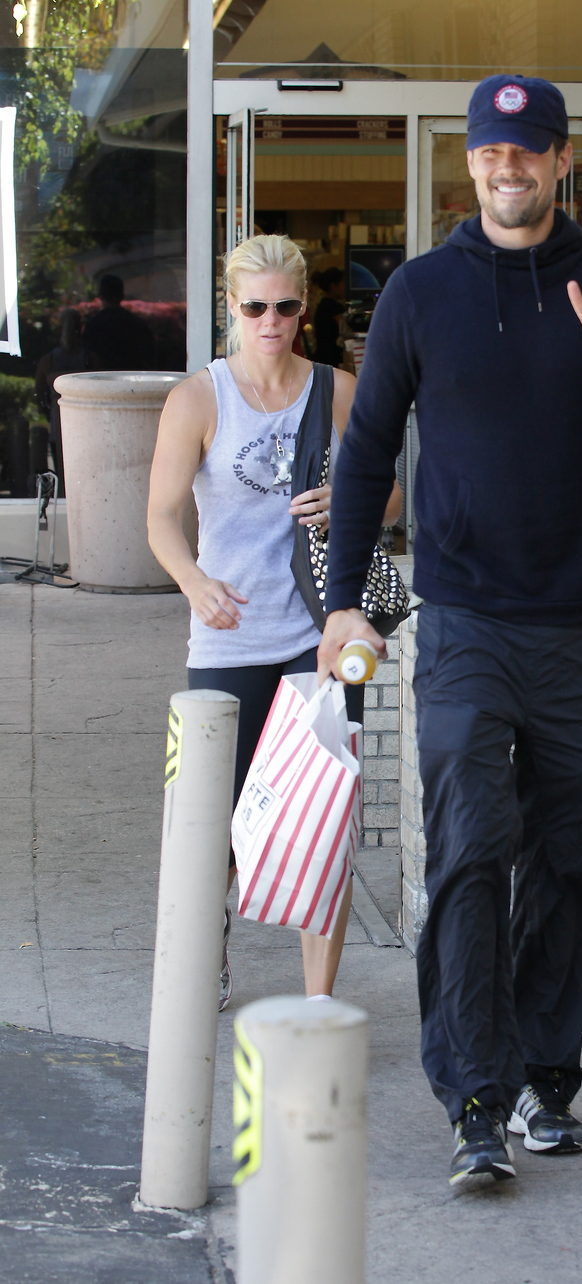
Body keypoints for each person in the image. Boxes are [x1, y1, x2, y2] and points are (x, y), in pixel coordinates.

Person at [317, 74, 582, 1187]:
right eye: (493, 153)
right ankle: (472, 1098)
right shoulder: (418, 294)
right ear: (473, 162)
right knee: (466, 857)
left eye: (530, 153)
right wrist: (345, 598)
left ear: (559, 163)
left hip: (573, 627)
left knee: (567, 859)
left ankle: (549, 1079)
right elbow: (364, 459)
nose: (510, 170)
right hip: (459, 623)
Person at [147, 233, 400, 1010]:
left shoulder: (338, 390)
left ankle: (317, 1003)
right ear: (231, 307)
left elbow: (391, 496)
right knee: (214, 830)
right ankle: (208, 949)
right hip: (226, 639)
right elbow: (160, 518)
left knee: (321, 825)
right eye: (254, 306)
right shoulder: (197, 398)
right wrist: (193, 582)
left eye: (286, 306)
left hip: (319, 637)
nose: (271, 320)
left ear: (304, 307)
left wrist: (352, 504)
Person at [34, 307, 95, 494]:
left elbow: (39, 394)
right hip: (59, 420)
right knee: (64, 464)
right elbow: (39, 395)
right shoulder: (50, 360)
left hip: (86, 423)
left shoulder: (89, 358)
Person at [82, 273, 155, 371]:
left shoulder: (93, 324)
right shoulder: (136, 323)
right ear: (122, 296)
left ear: (101, 296)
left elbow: (91, 357)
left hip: (103, 380)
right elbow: (148, 355)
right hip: (133, 379)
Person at [311, 267, 348, 367]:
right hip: (329, 359)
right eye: (343, 283)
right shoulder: (332, 307)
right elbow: (346, 330)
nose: (345, 287)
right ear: (333, 286)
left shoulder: (324, 304)